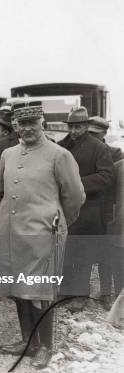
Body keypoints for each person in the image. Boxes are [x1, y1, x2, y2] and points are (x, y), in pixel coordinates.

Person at [0, 101, 85, 369]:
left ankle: (45, 345)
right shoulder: (8, 154)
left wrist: (57, 220)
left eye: (33, 122)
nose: (28, 128)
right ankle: (27, 341)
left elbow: (75, 197)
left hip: (44, 232)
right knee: (18, 288)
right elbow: (2, 191)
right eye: (22, 123)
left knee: (41, 291)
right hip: (11, 231)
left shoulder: (59, 154)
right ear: (15, 126)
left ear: (41, 123)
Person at [59, 106, 114, 313]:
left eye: (79, 127)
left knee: (84, 255)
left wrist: (77, 183)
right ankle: (64, 291)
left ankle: (80, 295)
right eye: (72, 127)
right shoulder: (61, 146)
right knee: (66, 251)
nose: (74, 131)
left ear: (86, 126)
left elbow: (107, 176)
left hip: (89, 211)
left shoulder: (98, 148)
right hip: (66, 209)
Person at [87, 116, 124, 309]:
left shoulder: (116, 153)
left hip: (108, 212)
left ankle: (107, 293)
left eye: (96, 134)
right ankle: (85, 291)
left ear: (104, 134)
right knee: (86, 251)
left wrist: (112, 215)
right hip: (89, 209)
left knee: (108, 253)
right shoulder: (83, 150)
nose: (93, 137)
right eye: (90, 133)